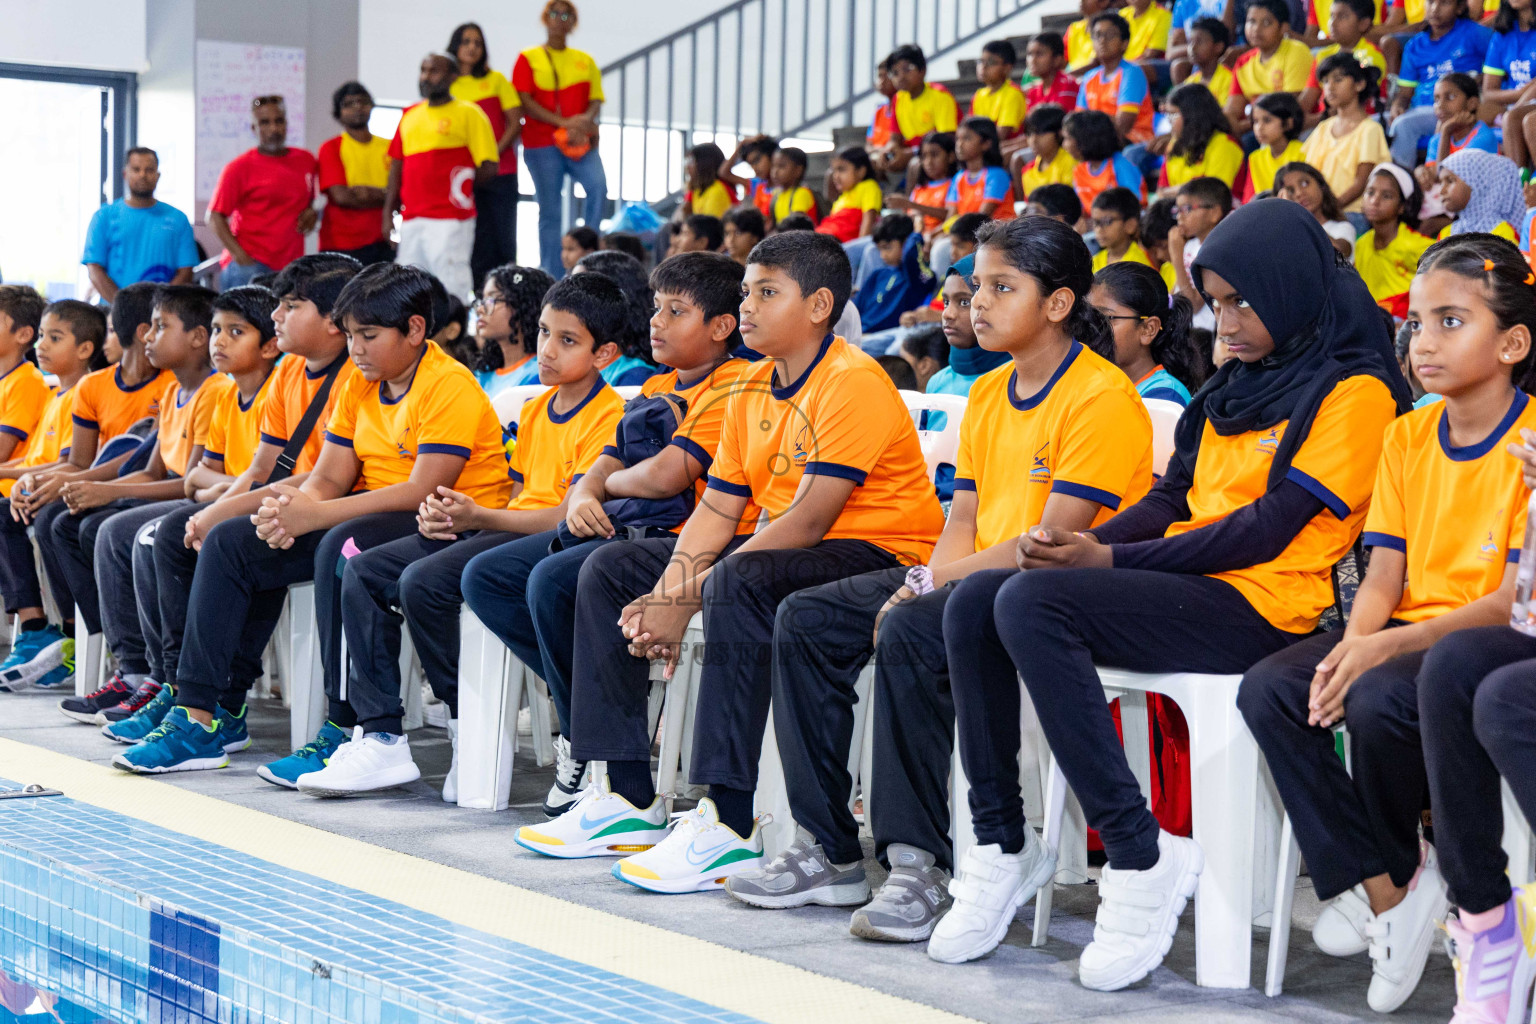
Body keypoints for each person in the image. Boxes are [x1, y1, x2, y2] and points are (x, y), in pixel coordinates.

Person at [937, 199, 1408, 984]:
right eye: (1215, 301)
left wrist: (1111, 566)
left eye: (1241, 300)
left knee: (1026, 600)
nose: (1224, 320)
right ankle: (1001, 844)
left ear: (1291, 291)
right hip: (1194, 588)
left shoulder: (1355, 393)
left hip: (1274, 607)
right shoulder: (1231, 388)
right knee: (975, 600)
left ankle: (1137, 850)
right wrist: (1091, 544)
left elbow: (1271, 527)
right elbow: (1171, 498)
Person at [724, 218, 1154, 932]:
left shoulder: (1100, 398)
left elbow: (1048, 540)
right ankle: (828, 851)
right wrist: (926, 575)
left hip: (1056, 591)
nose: (976, 302)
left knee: (918, 627)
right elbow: (963, 520)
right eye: (975, 286)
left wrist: (929, 587)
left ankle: (918, 861)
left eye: (999, 287)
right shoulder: (988, 396)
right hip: (978, 577)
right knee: (806, 617)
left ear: (1056, 303)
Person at [515, 231, 945, 894]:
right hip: (794, 546)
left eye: (767, 292)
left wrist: (685, 596)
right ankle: (627, 797)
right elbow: (716, 512)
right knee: (608, 569)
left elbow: (809, 519)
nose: (747, 305)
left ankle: (728, 816)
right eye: (746, 291)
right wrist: (666, 587)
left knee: (739, 581)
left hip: (880, 550)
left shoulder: (851, 380)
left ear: (820, 304)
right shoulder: (748, 386)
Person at [1238, 233, 1536, 1015]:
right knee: (1278, 688)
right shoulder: (1408, 434)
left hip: (1479, 640)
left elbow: (1512, 599)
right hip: (1406, 632)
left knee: (1377, 696)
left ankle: (1432, 884)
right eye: (1415, 322)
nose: (1422, 342)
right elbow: (1382, 574)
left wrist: (1382, 648)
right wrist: (1350, 646)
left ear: (1511, 343)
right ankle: (1391, 885)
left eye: (1449, 322)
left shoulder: (1529, 439)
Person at [113, 263, 509, 777]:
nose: (357, 349)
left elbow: (421, 490)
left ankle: (349, 727)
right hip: (370, 511)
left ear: (414, 330)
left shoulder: (447, 384)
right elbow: (326, 478)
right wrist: (283, 514)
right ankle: (201, 715)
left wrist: (315, 515)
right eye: (350, 336)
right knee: (234, 540)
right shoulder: (362, 382)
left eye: (368, 336)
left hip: (447, 521)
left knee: (340, 549)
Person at [297, 274, 627, 798]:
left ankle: (469, 720)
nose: (547, 349)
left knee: (425, 581)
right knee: (365, 567)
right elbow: (521, 495)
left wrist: (478, 518)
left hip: (553, 539)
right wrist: (454, 518)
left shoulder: (610, 417)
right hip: (507, 527)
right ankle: (387, 731)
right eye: (543, 333)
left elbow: (562, 515)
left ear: (605, 352)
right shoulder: (537, 409)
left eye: (568, 341)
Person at [460, 251, 752, 815]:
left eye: (676, 311)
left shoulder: (732, 385)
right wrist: (589, 492)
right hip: (631, 528)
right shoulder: (656, 385)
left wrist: (602, 488)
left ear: (720, 328)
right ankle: (585, 716)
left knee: (555, 580)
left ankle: (611, 769)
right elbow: (608, 457)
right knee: (488, 575)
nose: (657, 323)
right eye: (656, 309)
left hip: (686, 537)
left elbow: (670, 471)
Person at [103, 257, 366, 747]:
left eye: (291, 306)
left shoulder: (356, 376)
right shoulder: (288, 372)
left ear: (334, 321)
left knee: (238, 542)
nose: (278, 317)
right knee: (180, 536)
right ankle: (183, 687)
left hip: (334, 509)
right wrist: (212, 510)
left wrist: (229, 512)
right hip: (289, 498)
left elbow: (330, 476)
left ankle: (217, 704)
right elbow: (265, 467)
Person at [53, 285, 235, 724]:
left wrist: (110, 492)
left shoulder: (212, 392)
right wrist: (96, 489)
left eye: (160, 327)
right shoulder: (173, 392)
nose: (148, 337)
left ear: (195, 337)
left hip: (197, 496)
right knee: (72, 523)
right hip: (171, 489)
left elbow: (187, 485)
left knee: (116, 530)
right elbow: (152, 472)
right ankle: (130, 665)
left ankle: (159, 674)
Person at [26, 285, 172, 665]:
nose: (104, 339)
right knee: (51, 521)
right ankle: (88, 632)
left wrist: (85, 483)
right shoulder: (94, 385)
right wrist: (48, 480)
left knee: (86, 527)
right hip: (116, 481)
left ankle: (128, 653)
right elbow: (80, 461)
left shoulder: (171, 384)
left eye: (108, 329)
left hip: (148, 487)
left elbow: (138, 460)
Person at [0, 295, 105, 693]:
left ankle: (43, 629)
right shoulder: (54, 393)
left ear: (84, 349)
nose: (41, 345)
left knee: (28, 520)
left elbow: (71, 463)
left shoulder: (81, 393)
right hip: (31, 487)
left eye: (54, 337)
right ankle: (46, 632)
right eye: (42, 336)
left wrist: (18, 478)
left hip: (58, 491)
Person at [384, 52, 499, 301]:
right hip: (412, 218)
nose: (426, 77)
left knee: (451, 284)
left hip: (451, 218)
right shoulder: (409, 115)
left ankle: (454, 338)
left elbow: (489, 166)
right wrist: (388, 216)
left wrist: (458, 189)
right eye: (423, 70)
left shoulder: (470, 113)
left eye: (434, 71)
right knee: (408, 289)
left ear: (453, 76)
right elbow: (396, 169)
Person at [514, 0, 609, 281]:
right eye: (554, 13)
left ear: (573, 21)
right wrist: (563, 122)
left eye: (566, 14)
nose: (560, 18)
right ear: (546, 19)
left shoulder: (585, 60)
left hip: (578, 141)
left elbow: (595, 100)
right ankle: (551, 275)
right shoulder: (528, 58)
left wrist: (580, 122)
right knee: (550, 211)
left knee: (598, 187)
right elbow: (524, 100)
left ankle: (589, 256)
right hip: (541, 143)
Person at [207, 97, 318, 290]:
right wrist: (241, 257)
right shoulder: (239, 168)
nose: (273, 129)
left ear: (286, 123)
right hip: (249, 266)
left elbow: (308, 201)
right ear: (254, 128)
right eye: (265, 123)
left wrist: (311, 212)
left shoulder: (306, 160)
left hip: (291, 267)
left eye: (279, 121)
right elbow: (214, 217)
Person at [448, 22, 523, 287]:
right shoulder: (448, 86)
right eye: (466, 41)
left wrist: (491, 154)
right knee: (475, 240)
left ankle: (507, 295)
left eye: (477, 43)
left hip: (502, 172)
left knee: (504, 238)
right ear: (455, 46)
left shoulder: (496, 80)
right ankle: (480, 298)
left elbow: (515, 123)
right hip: (465, 177)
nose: (471, 47)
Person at [81, 148, 198, 301]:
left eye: (149, 170)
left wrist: (158, 308)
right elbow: (94, 269)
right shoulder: (103, 217)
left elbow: (185, 272)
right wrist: (122, 307)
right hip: (113, 313)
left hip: (162, 315)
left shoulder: (178, 219)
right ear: (125, 173)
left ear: (158, 175)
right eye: (136, 169)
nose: (143, 175)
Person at [1388, 0, 1493, 167]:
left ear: (1459, 8)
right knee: (1375, 123)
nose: (1435, 9)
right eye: (1430, 2)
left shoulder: (1475, 33)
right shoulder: (1415, 45)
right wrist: (1398, 105)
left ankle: (1403, 185)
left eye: (1444, 3)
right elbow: (1405, 92)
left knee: (1403, 125)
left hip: (1454, 108)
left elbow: (1498, 63)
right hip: (1421, 108)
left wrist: (1481, 78)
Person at [1090, 260, 1204, 403]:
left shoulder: (1164, 395)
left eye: (1106, 319)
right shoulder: (1103, 384)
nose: (1092, 328)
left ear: (1148, 329)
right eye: (1090, 318)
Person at [1301, 54, 1392, 215]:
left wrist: (1328, 211)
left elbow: (1360, 183)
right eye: (1326, 81)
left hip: (1350, 212)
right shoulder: (1323, 127)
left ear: (1359, 84)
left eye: (1338, 79)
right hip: (1320, 213)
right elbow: (1308, 173)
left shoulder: (1370, 129)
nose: (1330, 87)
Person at [316, 83, 393, 267]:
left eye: (362, 101)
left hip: (382, 240)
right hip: (340, 244)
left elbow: (401, 193)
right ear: (338, 112)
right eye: (349, 104)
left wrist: (367, 193)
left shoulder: (389, 146)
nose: (357, 107)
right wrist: (385, 195)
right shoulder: (331, 147)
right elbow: (342, 197)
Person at [1224, 0, 1316, 136]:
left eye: (1266, 23)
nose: (1256, 28)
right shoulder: (1243, 62)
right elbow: (1232, 110)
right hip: (1258, 127)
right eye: (1251, 21)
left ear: (1283, 28)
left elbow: (1290, 108)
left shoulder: (1296, 52)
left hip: (1292, 128)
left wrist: (1248, 124)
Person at [1353, 163, 1431, 318]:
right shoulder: (1362, 243)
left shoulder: (1417, 245)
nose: (1374, 201)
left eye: (1386, 196)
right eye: (1370, 192)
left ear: (1402, 206)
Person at [473, 265, 556, 397]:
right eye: (482, 300)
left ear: (523, 305)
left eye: (492, 300)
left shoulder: (542, 373)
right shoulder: (482, 375)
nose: (480, 309)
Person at [1078, 14, 1157, 144]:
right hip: (1097, 139)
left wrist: (1091, 120)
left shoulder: (1131, 73)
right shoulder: (1089, 77)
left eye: (1110, 35)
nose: (1102, 41)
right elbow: (1079, 120)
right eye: (1097, 35)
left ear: (1124, 44)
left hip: (1134, 140)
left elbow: (1123, 125)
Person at [1167, 176, 1232, 330]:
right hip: (1184, 328)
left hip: (1204, 333)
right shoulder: (1190, 245)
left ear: (1214, 213)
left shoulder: (1217, 249)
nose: (1179, 216)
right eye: (1177, 210)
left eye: (1187, 209)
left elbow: (1193, 305)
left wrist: (1176, 257)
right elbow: (1177, 289)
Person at [852, 214, 935, 336]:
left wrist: (917, 233)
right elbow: (856, 309)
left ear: (906, 243)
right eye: (880, 249)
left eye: (887, 248)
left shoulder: (916, 279)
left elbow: (910, 257)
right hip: (859, 334)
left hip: (885, 337)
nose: (882, 255)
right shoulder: (878, 275)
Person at [1157, 83, 1244, 195]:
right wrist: (1188, 189)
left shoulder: (1224, 145)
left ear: (1193, 115)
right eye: (1167, 115)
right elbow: (1161, 191)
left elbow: (1213, 194)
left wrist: (1177, 191)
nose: (1169, 121)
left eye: (1173, 115)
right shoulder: (1174, 143)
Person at [889, 45, 960, 176]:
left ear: (923, 70)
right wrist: (889, 150)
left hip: (937, 155)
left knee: (915, 164)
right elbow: (895, 138)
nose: (901, 77)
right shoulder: (898, 98)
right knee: (875, 161)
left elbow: (946, 141)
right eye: (895, 72)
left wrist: (912, 153)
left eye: (907, 69)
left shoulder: (940, 96)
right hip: (913, 152)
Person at [1436, 147, 1525, 240]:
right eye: (1441, 183)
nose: (1442, 191)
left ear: (1478, 183)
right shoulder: (1446, 234)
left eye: (1450, 181)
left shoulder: (1502, 233)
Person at [1422, 72, 1499, 178]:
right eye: (1436, 99)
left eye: (1450, 97)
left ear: (1472, 103)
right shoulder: (1436, 140)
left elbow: (1444, 178)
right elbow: (1432, 178)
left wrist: (1445, 131)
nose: (1440, 105)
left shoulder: (1483, 137)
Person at [1066, 110, 1146, 210]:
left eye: (1068, 138)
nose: (1064, 145)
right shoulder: (1079, 171)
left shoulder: (1121, 166)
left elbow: (1134, 207)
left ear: (1086, 139)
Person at [1276, 161, 1361, 255]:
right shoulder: (1286, 237)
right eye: (1290, 191)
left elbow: (1338, 252)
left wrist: (1296, 212)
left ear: (1320, 184)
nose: (1299, 193)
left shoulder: (1342, 227)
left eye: (1304, 183)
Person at [1489, 0, 1536, 168]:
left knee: (1513, 118)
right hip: (1514, 99)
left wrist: (1519, 103)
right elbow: (1488, 91)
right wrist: (1521, 93)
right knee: (1466, 113)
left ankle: (1520, 185)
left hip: (1527, 102)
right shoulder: (1502, 34)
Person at [885, 132, 958, 239]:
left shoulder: (954, 184)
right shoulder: (920, 188)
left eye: (934, 155)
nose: (928, 162)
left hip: (939, 235)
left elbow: (948, 214)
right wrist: (915, 215)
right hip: (916, 235)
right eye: (924, 156)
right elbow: (911, 215)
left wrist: (911, 204)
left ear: (951, 156)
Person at [946, 118, 1017, 220]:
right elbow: (951, 218)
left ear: (986, 144)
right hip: (966, 232)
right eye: (957, 139)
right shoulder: (959, 177)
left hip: (996, 233)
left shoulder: (997, 175)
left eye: (966, 138)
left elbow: (980, 219)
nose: (959, 145)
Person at [1240, 91, 1305, 200]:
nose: (1259, 127)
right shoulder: (1255, 158)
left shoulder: (1303, 152)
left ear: (1288, 123)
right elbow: (1248, 200)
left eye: (1267, 120)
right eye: (1256, 121)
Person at [818, 147, 883, 242]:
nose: (835, 176)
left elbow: (869, 220)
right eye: (834, 171)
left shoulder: (868, 186)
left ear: (861, 171)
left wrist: (859, 248)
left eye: (841, 170)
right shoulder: (842, 197)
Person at [969, 40, 1028, 139]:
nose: (983, 66)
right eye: (981, 61)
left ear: (1007, 68)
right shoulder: (979, 95)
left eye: (991, 62)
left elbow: (1000, 136)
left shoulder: (1013, 94)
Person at [1019, 106, 1079, 198]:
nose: (1033, 140)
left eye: (1041, 133)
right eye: (1029, 134)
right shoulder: (1028, 170)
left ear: (1060, 133)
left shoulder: (1072, 163)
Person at [1091, 187, 1156, 271]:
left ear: (1130, 225)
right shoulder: (1094, 261)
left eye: (1107, 222)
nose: (1099, 229)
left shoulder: (1139, 264)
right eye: (1096, 222)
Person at [1180, 18, 1234, 101]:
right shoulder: (1190, 81)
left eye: (1199, 42)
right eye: (1190, 42)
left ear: (1218, 47)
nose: (1192, 48)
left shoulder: (1229, 79)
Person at [1023, 33, 1080, 112]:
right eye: (1029, 54)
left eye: (1039, 54)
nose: (1032, 60)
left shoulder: (1067, 85)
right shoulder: (1033, 91)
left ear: (1057, 59)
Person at [768, 146, 819, 226]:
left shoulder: (802, 193)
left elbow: (794, 225)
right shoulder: (777, 195)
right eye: (773, 166)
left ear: (798, 170)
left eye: (781, 166)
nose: (775, 171)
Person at [682, 143, 734, 219]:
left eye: (691, 161)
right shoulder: (698, 190)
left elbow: (708, 228)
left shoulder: (716, 190)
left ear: (704, 164)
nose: (687, 166)